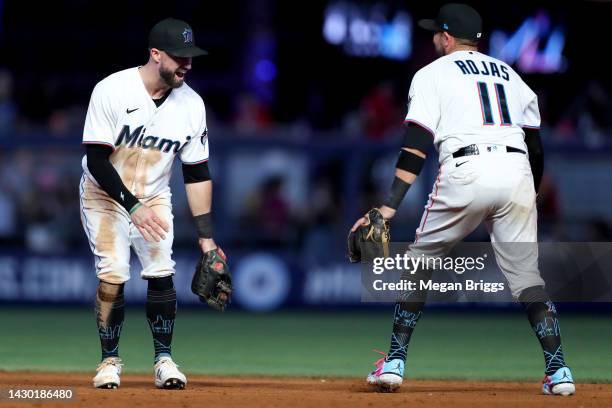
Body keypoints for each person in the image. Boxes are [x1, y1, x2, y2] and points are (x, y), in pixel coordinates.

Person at [351, 4, 575, 396]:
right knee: (527, 279)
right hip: (517, 170)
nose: (434, 38)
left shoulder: (431, 73)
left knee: (420, 262)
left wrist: (387, 208)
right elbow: (535, 146)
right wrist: (531, 194)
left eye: (436, 33)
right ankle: (559, 372)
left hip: (466, 168)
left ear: (447, 37)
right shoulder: (512, 74)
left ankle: (395, 363)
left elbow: (416, 146)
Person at [79, 18, 223, 389]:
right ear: (155, 54)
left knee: (161, 269)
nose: (187, 64)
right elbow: (96, 160)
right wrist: (131, 206)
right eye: (179, 56)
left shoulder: (192, 105)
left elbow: (197, 173)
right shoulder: (112, 90)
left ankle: (164, 361)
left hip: (155, 194)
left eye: (191, 56)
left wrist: (206, 239)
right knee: (113, 270)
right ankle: (109, 361)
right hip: (103, 192)